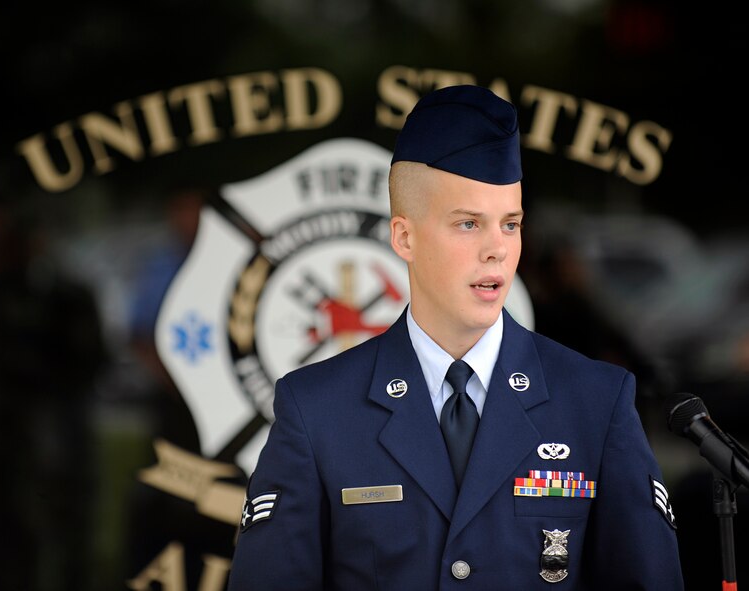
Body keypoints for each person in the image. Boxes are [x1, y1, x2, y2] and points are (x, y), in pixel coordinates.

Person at [226, 85, 683, 590]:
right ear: (404, 237)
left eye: (511, 224)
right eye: (468, 223)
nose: (497, 251)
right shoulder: (318, 410)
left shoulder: (595, 402)